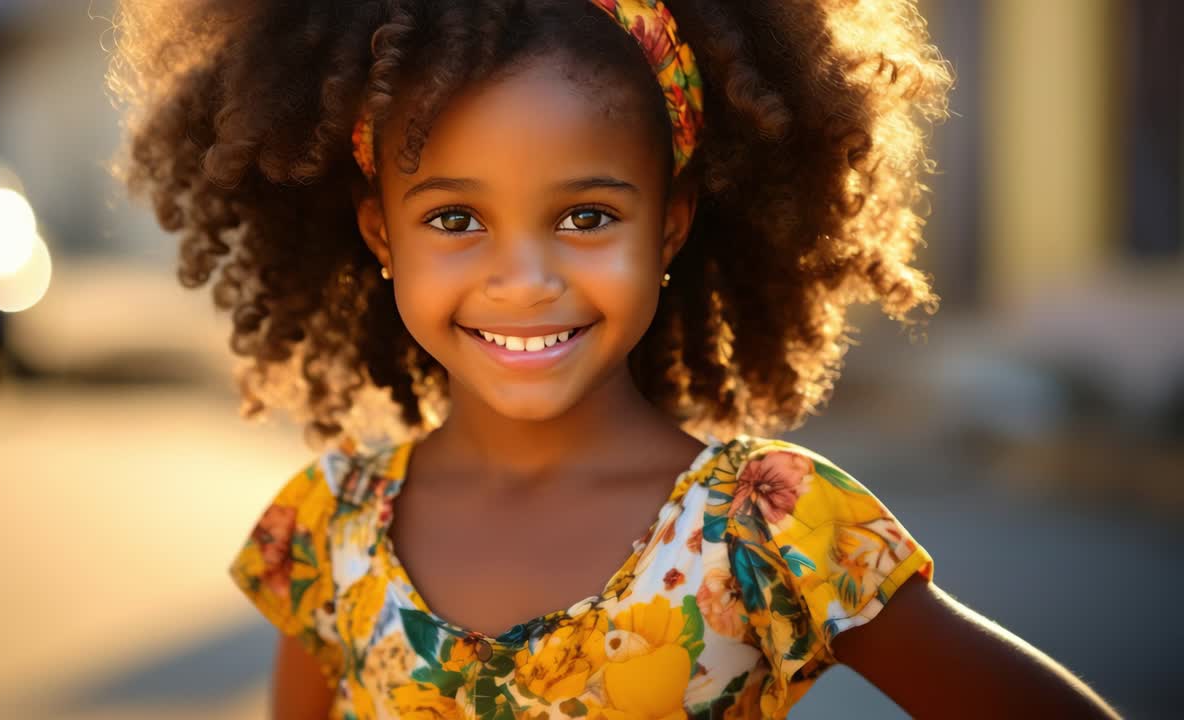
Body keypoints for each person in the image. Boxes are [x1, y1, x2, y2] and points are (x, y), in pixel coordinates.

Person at [109, 1, 1124, 717]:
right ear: (381, 235)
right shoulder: (323, 533)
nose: (523, 280)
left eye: (585, 216)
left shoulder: (768, 527)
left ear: (670, 227)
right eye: (455, 217)